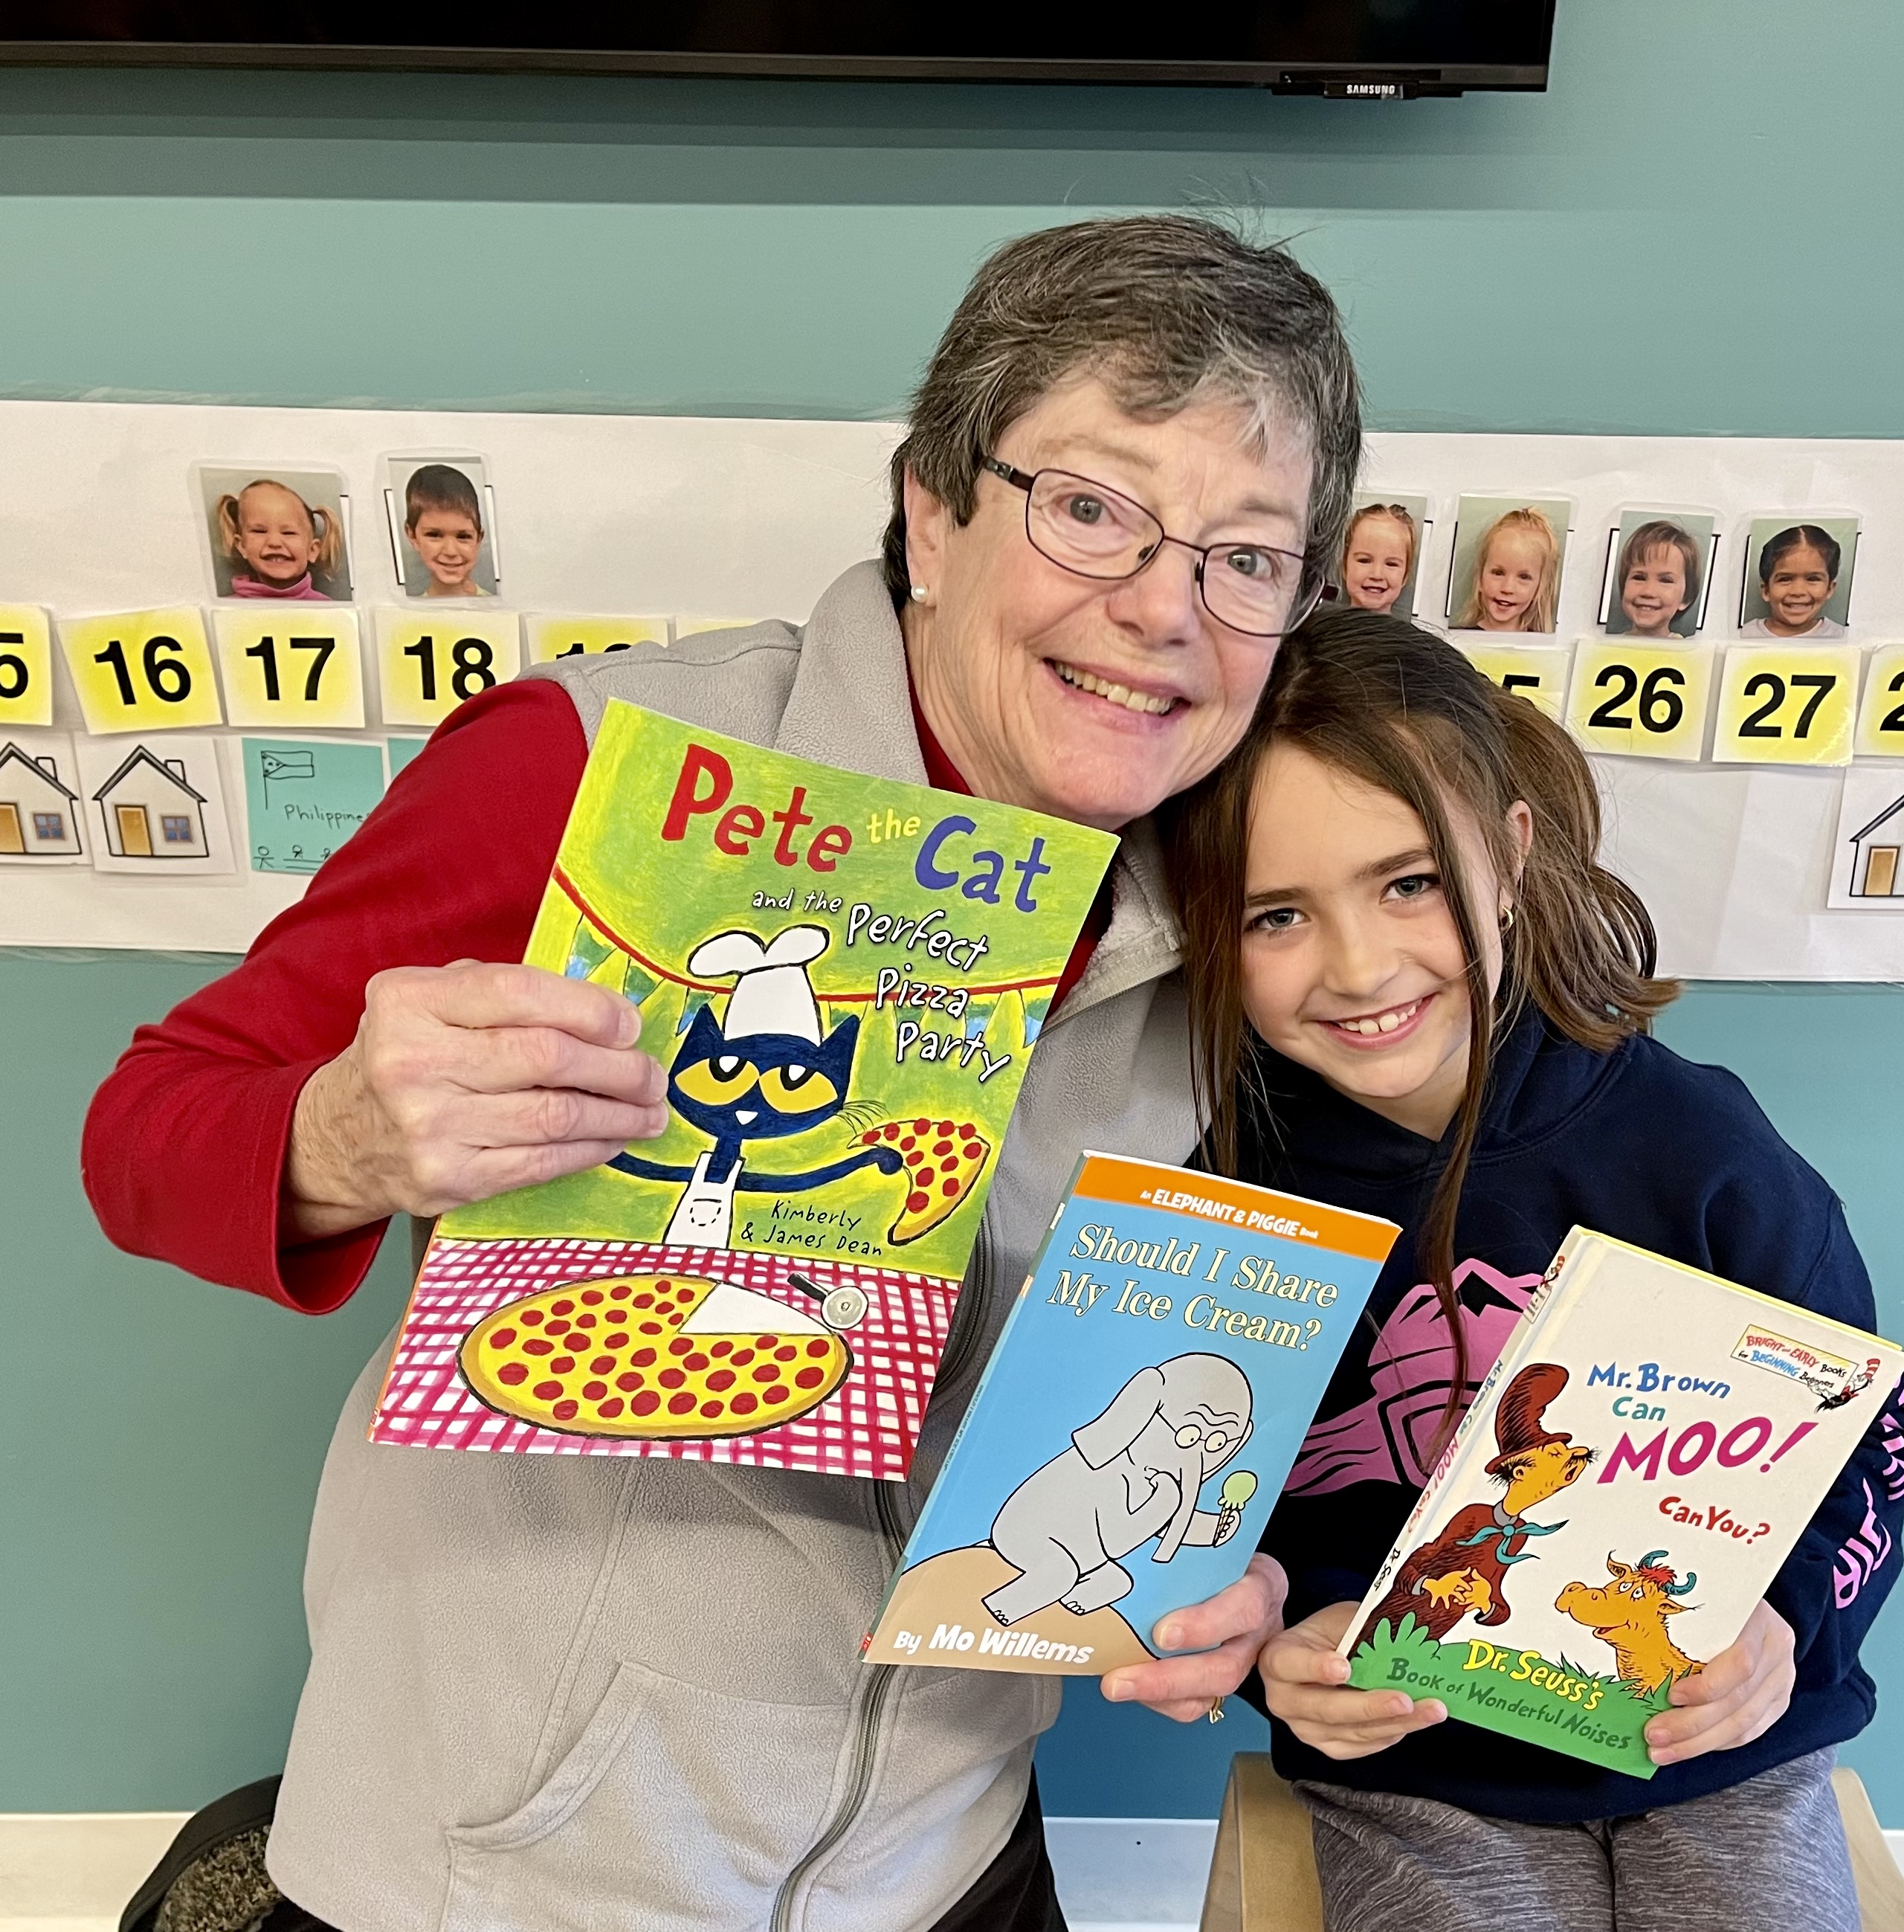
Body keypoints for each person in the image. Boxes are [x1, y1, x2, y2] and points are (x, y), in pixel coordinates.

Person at [84, 214, 1362, 1932]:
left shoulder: (1241, 905)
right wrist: (347, 1137)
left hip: (951, 1857)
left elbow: (1201, 1360)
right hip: (520, 1877)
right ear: (932, 512)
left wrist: (1221, 1574)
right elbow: (147, 1131)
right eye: (1089, 509)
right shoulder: (596, 766)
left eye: (1245, 557)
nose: (1160, 609)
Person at [1160, 610, 1904, 1932]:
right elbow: (1196, 1513)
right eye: (1276, 914)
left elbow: (1866, 1441)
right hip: (1419, 1769)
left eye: (1410, 883)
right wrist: (1272, 1624)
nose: (1360, 965)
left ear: (1510, 853)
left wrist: (1785, 1623)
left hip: (1714, 1751)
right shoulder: (1216, 1202)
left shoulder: (1701, 1154)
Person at [216, 477, 346, 600]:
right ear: (242, 546)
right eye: (259, 531)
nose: (274, 542)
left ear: (312, 550)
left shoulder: (328, 610)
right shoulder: (226, 609)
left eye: (289, 533)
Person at [1453, 505, 1559, 633]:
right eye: (1498, 573)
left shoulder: (1542, 644)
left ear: (1539, 588)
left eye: (1524, 577)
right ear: (1480, 577)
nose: (1507, 588)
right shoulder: (1454, 639)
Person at [1737, 523, 1848, 639]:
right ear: (1766, 590)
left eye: (1813, 579)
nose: (1798, 591)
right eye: (1785, 579)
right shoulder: (1742, 636)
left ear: (1830, 589)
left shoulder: (1843, 639)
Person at [401, 462, 493, 597]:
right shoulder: (401, 611)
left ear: (479, 539)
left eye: (463, 537)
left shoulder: (506, 607)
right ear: (412, 536)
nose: (451, 552)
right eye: (434, 535)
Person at [1607, 518, 1700, 638]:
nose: (1648, 592)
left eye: (1666, 580)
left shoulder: (1686, 649)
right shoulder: (1607, 644)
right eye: (1639, 578)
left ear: (1686, 598)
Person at [1339, 502, 1417, 614]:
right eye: (1364, 561)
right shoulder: (1319, 625)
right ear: (1345, 566)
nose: (1377, 575)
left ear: (1405, 575)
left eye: (1391, 564)